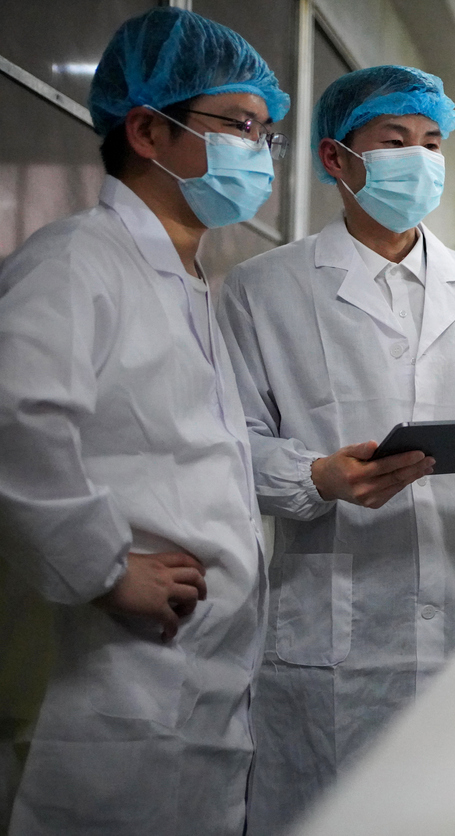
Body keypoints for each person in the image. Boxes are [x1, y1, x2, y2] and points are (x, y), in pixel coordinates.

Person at [217, 65, 455, 831]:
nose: (419, 159)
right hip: (332, 637)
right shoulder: (263, 289)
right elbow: (226, 448)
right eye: (395, 141)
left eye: (431, 142)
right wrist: (317, 476)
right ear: (336, 159)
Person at [0, 8, 292, 835]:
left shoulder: (186, 283)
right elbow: (14, 418)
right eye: (238, 125)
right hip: (110, 691)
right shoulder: (76, 262)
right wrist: (104, 569)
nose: (257, 152)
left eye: (265, 133)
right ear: (148, 130)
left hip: (194, 684)